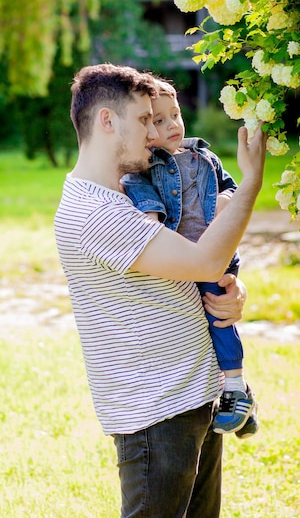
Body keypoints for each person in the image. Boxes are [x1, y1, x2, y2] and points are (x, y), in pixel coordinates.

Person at [54, 63, 266, 518]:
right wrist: (250, 184)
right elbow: (202, 259)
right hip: (156, 415)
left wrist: (232, 289)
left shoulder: (132, 194)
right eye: (145, 120)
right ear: (108, 121)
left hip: (192, 395)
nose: (155, 132)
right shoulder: (96, 214)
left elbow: (192, 262)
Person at [122, 78, 258, 438]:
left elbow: (228, 186)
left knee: (219, 319)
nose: (172, 126)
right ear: (144, 126)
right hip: (182, 258)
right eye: (158, 120)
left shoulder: (204, 156)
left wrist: (228, 200)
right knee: (200, 329)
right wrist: (150, 220)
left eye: (176, 115)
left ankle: (235, 386)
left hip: (214, 255)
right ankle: (239, 397)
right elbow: (143, 201)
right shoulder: (143, 168)